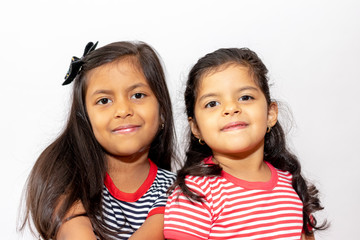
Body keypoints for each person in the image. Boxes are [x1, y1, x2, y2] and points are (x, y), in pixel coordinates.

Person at [164, 48, 327, 239]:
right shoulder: (195, 192)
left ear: (270, 113)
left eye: (245, 97)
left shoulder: (291, 185)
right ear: (196, 127)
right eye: (212, 103)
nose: (231, 108)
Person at [20, 41, 177, 240]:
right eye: (104, 101)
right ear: (85, 117)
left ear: (162, 109)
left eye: (138, 95)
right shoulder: (68, 178)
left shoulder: (178, 190)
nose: (123, 111)